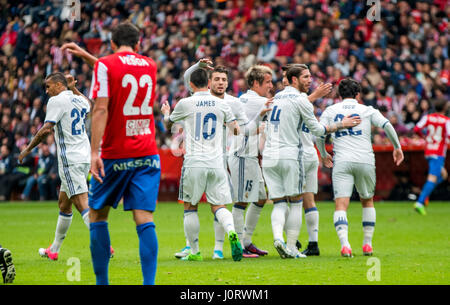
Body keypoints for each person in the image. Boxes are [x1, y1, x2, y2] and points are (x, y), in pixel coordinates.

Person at [75, 22, 161, 285]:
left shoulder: (105, 64)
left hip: (115, 154)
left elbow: (100, 109)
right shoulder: (150, 65)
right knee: (144, 218)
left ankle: (102, 283)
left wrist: (93, 152)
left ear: (112, 43)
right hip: (148, 152)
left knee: (98, 214)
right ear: (138, 43)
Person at [262, 64, 360, 258]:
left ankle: (277, 238)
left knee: (279, 203)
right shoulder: (302, 100)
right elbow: (318, 130)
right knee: (298, 202)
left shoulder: (275, 98)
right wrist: (342, 124)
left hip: (269, 157)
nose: (310, 80)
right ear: (294, 80)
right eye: (305, 77)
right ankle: (291, 247)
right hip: (291, 155)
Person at [161, 68, 243, 262]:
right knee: (219, 206)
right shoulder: (221, 103)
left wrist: (166, 113)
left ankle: (195, 251)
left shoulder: (185, 103)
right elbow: (237, 131)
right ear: (208, 83)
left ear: (190, 85)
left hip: (194, 162)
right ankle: (232, 232)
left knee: (190, 207)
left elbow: (167, 126)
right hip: (216, 163)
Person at [317, 78, 404, 257]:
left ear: (340, 95)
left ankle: (345, 245)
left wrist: (323, 154)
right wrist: (397, 147)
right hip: (365, 159)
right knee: (367, 201)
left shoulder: (331, 110)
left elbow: (320, 132)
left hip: (342, 160)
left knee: (341, 205)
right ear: (358, 94)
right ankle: (367, 244)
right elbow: (387, 125)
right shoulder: (367, 110)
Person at [18, 73, 93, 261]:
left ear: (60, 85)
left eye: (49, 86)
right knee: (64, 204)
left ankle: (103, 244)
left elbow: (46, 129)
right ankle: (54, 249)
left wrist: (27, 149)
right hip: (84, 156)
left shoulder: (56, 101)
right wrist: (74, 87)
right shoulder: (77, 98)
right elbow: (89, 105)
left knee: (82, 203)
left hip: (70, 159)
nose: (46, 90)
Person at [280, 64, 332, 256]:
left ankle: (290, 241)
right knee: (309, 199)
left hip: (297, 154)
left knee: (286, 200)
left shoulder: (289, 98)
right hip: (310, 153)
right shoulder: (302, 99)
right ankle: (313, 243)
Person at [228, 65, 275, 258]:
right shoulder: (259, 101)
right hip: (241, 155)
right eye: (268, 82)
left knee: (261, 197)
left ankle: (246, 241)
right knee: (241, 201)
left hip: (250, 156)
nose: (271, 86)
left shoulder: (245, 98)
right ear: (256, 83)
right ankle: (239, 245)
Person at [413, 99, 449, 215]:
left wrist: (424, 137)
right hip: (438, 152)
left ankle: (425, 194)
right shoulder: (446, 121)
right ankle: (420, 202)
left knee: (443, 175)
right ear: (444, 108)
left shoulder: (427, 117)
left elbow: (416, 129)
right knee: (432, 178)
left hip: (428, 150)